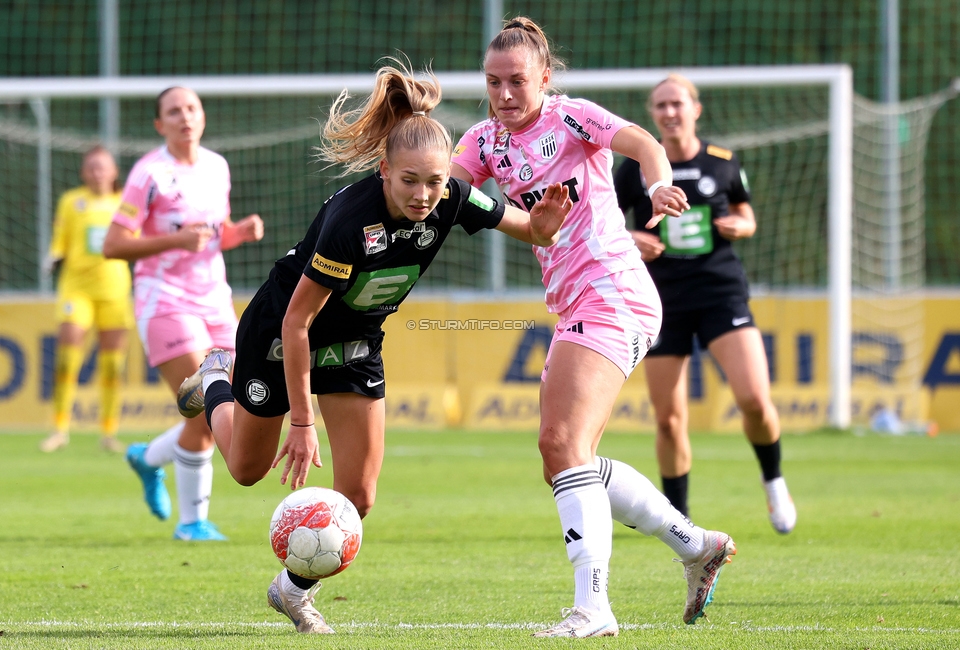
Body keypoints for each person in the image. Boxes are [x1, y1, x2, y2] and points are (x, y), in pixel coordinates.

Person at [172, 60, 571, 634]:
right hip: (281, 334)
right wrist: (303, 423)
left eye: (434, 182)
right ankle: (215, 376)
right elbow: (297, 324)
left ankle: (290, 591)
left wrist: (545, 225)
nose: (424, 194)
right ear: (384, 171)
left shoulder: (454, 197)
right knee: (246, 469)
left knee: (357, 495)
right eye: (409, 180)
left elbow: (528, 228)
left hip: (356, 341)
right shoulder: (349, 222)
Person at [451, 17, 737, 638]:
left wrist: (659, 185)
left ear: (544, 78)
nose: (503, 95)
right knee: (568, 456)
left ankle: (594, 607)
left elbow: (644, 145)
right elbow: (448, 195)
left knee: (561, 445)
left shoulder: (573, 117)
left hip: (614, 293)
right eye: (493, 82)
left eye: (517, 82)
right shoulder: (482, 141)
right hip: (575, 303)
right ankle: (697, 545)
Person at [614, 74, 797, 534]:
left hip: (720, 291)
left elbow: (747, 216)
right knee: (670, 420)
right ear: (652, 114)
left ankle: (773, 480)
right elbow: (606, 225)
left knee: (754, 399)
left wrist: (740, 225)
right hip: (659, 299)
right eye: (660, 105)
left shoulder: (722, 162)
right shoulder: (632, 168)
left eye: (677, 103)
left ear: (695, 109)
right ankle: (681, 522)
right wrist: (633, 238)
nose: (669, 112)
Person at [101, 86, 264, 541]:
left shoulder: (217, 166)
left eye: (191, 108)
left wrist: (238, 233)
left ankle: (148, 457)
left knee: (227, 405)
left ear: (203, 116)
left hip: (215, 299)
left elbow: (212, 237)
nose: (185, 117)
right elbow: (113, 245)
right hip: (164, 299)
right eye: (174, 111)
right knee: (204, 409)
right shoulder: (148, 173)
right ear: (160, 125)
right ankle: (192, 522)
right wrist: (173, 240)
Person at [40, 146, 132, 454]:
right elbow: (60, 241)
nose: (96, 173)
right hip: (76, 289)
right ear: (83, 172)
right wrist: (53, 257)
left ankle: (108, 432)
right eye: (91, 167)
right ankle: (59, 429)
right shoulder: (71, 201)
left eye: (102, 167)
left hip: (114, 291)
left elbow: (138, 242)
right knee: (67, 357)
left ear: (113, 171)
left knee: (112, 365)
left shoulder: (125, 204)